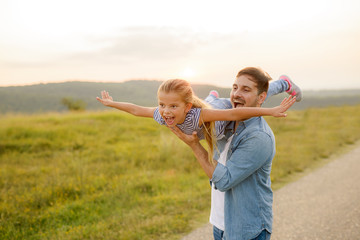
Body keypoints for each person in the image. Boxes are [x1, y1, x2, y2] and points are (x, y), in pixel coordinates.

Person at [168, 67, 294, 240]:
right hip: (220, 224)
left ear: (261, 98)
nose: (236, 94)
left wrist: (195, 145)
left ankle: (283, 83)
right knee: (212, 104)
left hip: (246, 230)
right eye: (235, 87)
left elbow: (224, 180)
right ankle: (281, 83)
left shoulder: (258, 137)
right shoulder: (227, 115)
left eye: (246, 89)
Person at [96, 77, 296, 164]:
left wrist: (272, 111)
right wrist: (111, 103)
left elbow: (233, 115)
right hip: (207, 110)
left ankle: (282, 83)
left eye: (173, 106)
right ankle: (211, 96)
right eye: (162, 104)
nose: (166, 111)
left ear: (187, 107)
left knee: (250, 101)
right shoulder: (161, 114)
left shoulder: (198, 115)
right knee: (209, 101)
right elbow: (135, 109)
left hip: (219, 110)